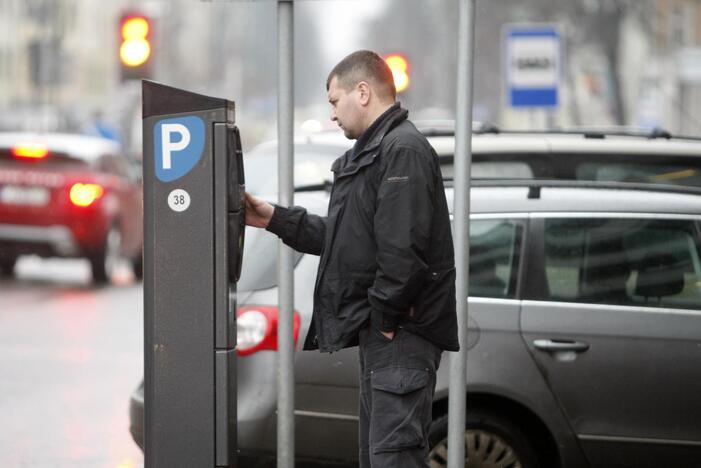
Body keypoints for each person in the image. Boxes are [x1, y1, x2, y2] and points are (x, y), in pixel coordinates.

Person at [244, 50, 458, 468]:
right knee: (378, 458)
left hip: (401, 338)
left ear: (363, 92)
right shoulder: (377, 152)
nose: (332, 115)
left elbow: (403, 254)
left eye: (334, 100)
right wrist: (273, 218)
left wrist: (386, 322)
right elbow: (348, 240)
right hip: (387, 340)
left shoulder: (402, 151)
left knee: (392, 460)